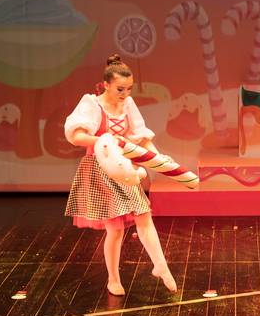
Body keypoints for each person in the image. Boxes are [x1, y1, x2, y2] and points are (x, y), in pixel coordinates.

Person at [64, 54, 177, 296]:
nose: (125, 94)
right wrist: (105, 140)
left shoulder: (128, 105)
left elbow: (142, 138)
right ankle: (113, 279)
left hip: (124, 169)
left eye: (128, 89)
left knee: (144, 215)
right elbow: (77, 136)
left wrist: (158, 158)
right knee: (115, 230)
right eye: (120, 89)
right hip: (101, 169)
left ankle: (160, 265)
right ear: (106, 85)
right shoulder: (92, 104)